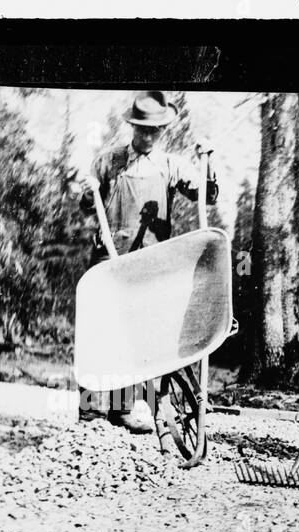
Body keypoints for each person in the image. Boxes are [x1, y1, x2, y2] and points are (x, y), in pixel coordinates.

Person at [79, 90, 219, 433]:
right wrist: (88, 189)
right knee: (101, 330)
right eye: (142, 129)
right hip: (109, 259)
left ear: (163, 131)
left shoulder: (171, 165)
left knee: (143, 333)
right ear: (132, 127)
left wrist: (208, 161)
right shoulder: (109, 161)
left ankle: (129, 409)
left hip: (151, 262)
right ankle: (88, 409)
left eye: (155, 130)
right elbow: (87, 204)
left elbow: (208, 195)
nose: (148, 136)